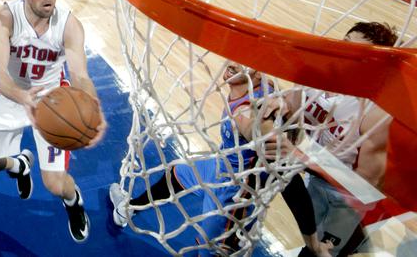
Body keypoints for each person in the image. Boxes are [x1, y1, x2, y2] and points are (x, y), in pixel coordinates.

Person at [108, 63, 334, 256]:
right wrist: (285, 102)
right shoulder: (263, 88)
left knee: (209, 248)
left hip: (234, 198)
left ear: (258, 71)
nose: (234, 62)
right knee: (176, 175)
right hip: (219, 168)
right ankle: (126, 210)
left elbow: (289, 181)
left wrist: (313, 245)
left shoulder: (249, 116)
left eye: (246, 60)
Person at [0, 0, 107, 243]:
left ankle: (74, 202)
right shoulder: (3, 17)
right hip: (11, 94)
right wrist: (23, 97)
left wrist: (95, 109)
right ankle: (20, 164)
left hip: (52, 100)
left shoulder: (69, 23)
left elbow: (81, 76)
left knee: (55, 184)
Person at [267, 22, 396, 256]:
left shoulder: (375, 112)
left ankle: (350, 239)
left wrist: (303, 158)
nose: (344, 53)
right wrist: (281, 104)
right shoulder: (313, 75)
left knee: (317, 253)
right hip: (313, 166)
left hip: (344, 194)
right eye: (345, 44)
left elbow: (365, 185)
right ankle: (353, 240)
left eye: (356, 53)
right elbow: (294, 109)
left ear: (373, 64)